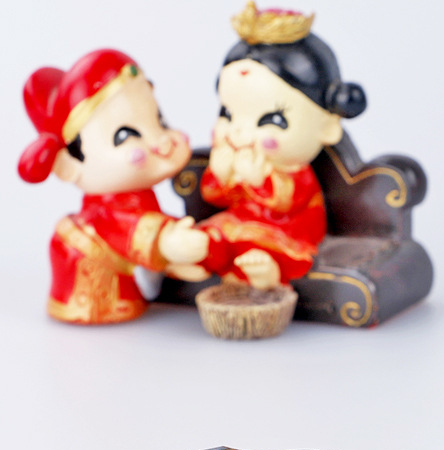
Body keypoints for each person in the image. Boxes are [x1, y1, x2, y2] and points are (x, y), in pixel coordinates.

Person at [19, 49, 213, 324]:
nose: (160, 141)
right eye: (125, 135)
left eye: (160, 122)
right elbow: (125, 229)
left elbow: (147, 222)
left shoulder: (141, 197)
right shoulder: (103, 212)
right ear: (68, 165)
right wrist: (167, 243)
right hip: (100, 298)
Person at [198, 4, 367, 289]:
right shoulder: (237, 153)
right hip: (240, 219)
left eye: (272, 120)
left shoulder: (293, 170)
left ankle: (267, 274)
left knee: (262, 247)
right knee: (211, 234)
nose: (239, 132)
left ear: (327, 126)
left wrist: (259, 180)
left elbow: (286, 202)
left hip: (287, 229)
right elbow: (214, 196)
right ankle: (196, 259)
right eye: (228, 114)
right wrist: (221, 174)